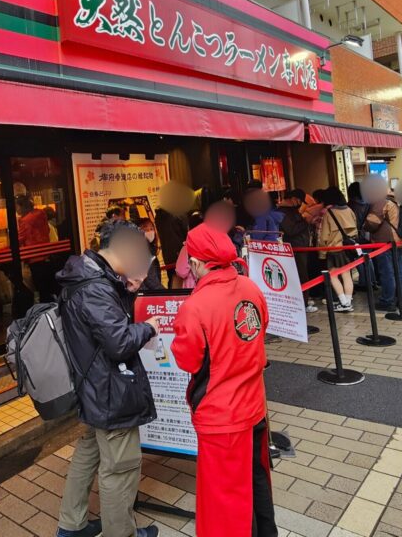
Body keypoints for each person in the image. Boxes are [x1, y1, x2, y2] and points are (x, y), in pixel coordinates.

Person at [172, 223, 278, 537]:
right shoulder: (249, 287)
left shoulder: (195, 307)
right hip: (255, 406)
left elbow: (187, 360)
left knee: (226, 501)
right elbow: (260, 328)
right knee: (258, 482)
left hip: (221, 418)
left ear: (194, 263)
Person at [55, 220, 160, 537]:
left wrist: (127, 290)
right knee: (120, 468)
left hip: (93, 387)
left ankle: (72, 526)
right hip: (110, 391)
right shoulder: (96, 287)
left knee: (88, 455)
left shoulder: (88, 274)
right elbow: (119, 343)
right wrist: (150, 327)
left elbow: (103, 328)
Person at [362, 175, 402, 312]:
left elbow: (372, 222)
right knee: (400, 270)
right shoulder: (396, 199)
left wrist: (364, 225)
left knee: (387, 271)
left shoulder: (381, 202)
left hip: (386, 242)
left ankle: (387, 300)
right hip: (399, 240)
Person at [174, 199, 238, 288]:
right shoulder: (215, 240)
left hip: (193, 289)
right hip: (219, 285)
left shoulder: (187, 247)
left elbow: (181, 272)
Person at [318, 187, 358, 313]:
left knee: (333, 276)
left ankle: (344, 303)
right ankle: (348, 302)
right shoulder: (349, 210)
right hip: (347, 248)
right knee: (347, 276)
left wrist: (322, 253)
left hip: (334, 249)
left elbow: (324, 236)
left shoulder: (329, 213)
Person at [278, 189, 316, 313]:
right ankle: (302, 303)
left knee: (301, 275)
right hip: (295, 249)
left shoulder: (290, 211)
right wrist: (306, 221)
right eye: (300, 201)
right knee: (300, 276)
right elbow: (291, 230)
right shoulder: (282, 212)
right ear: (294, 198)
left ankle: (303, 300)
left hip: (299, 247)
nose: (301, 204)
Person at [137, 217, 165, 291]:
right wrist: (166, 293)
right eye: (145, 229)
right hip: (146, 294)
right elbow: (151, 281)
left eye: (151, 229)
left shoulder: (150, 248)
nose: (149, 232)